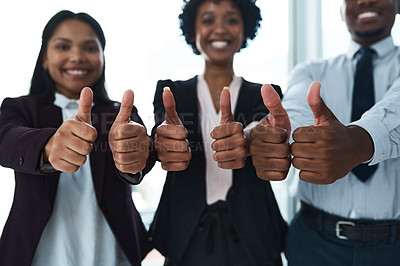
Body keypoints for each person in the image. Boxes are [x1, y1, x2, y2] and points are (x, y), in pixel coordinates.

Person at [250, 0, 400, 265]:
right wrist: (273, 136)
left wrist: (358, 141)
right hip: (314, 244)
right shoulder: (310, 70)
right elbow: (295, 111)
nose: (365, 1)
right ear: (341, 10)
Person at [0, 10, 155, 266]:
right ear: (45, 59)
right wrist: (48, 146)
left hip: (114, 254)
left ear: (103, 57)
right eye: (63, 46)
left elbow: (142, 146)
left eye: (90, 47)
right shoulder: (20, 108)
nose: (77, 57)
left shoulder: (119, 113)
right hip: (40, 255)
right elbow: (6, 138)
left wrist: (138, 151)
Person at [148, 0, 287, 265]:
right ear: (192, 31)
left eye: (231, 20)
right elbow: (162, 132)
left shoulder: (265, 94)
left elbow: (261, 126)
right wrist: (162, 139)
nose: (220, 29)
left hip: (253, 230)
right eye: (208, 20)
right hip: (186, 231)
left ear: (246, 29)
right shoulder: (171, 93)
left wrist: (252, 136)